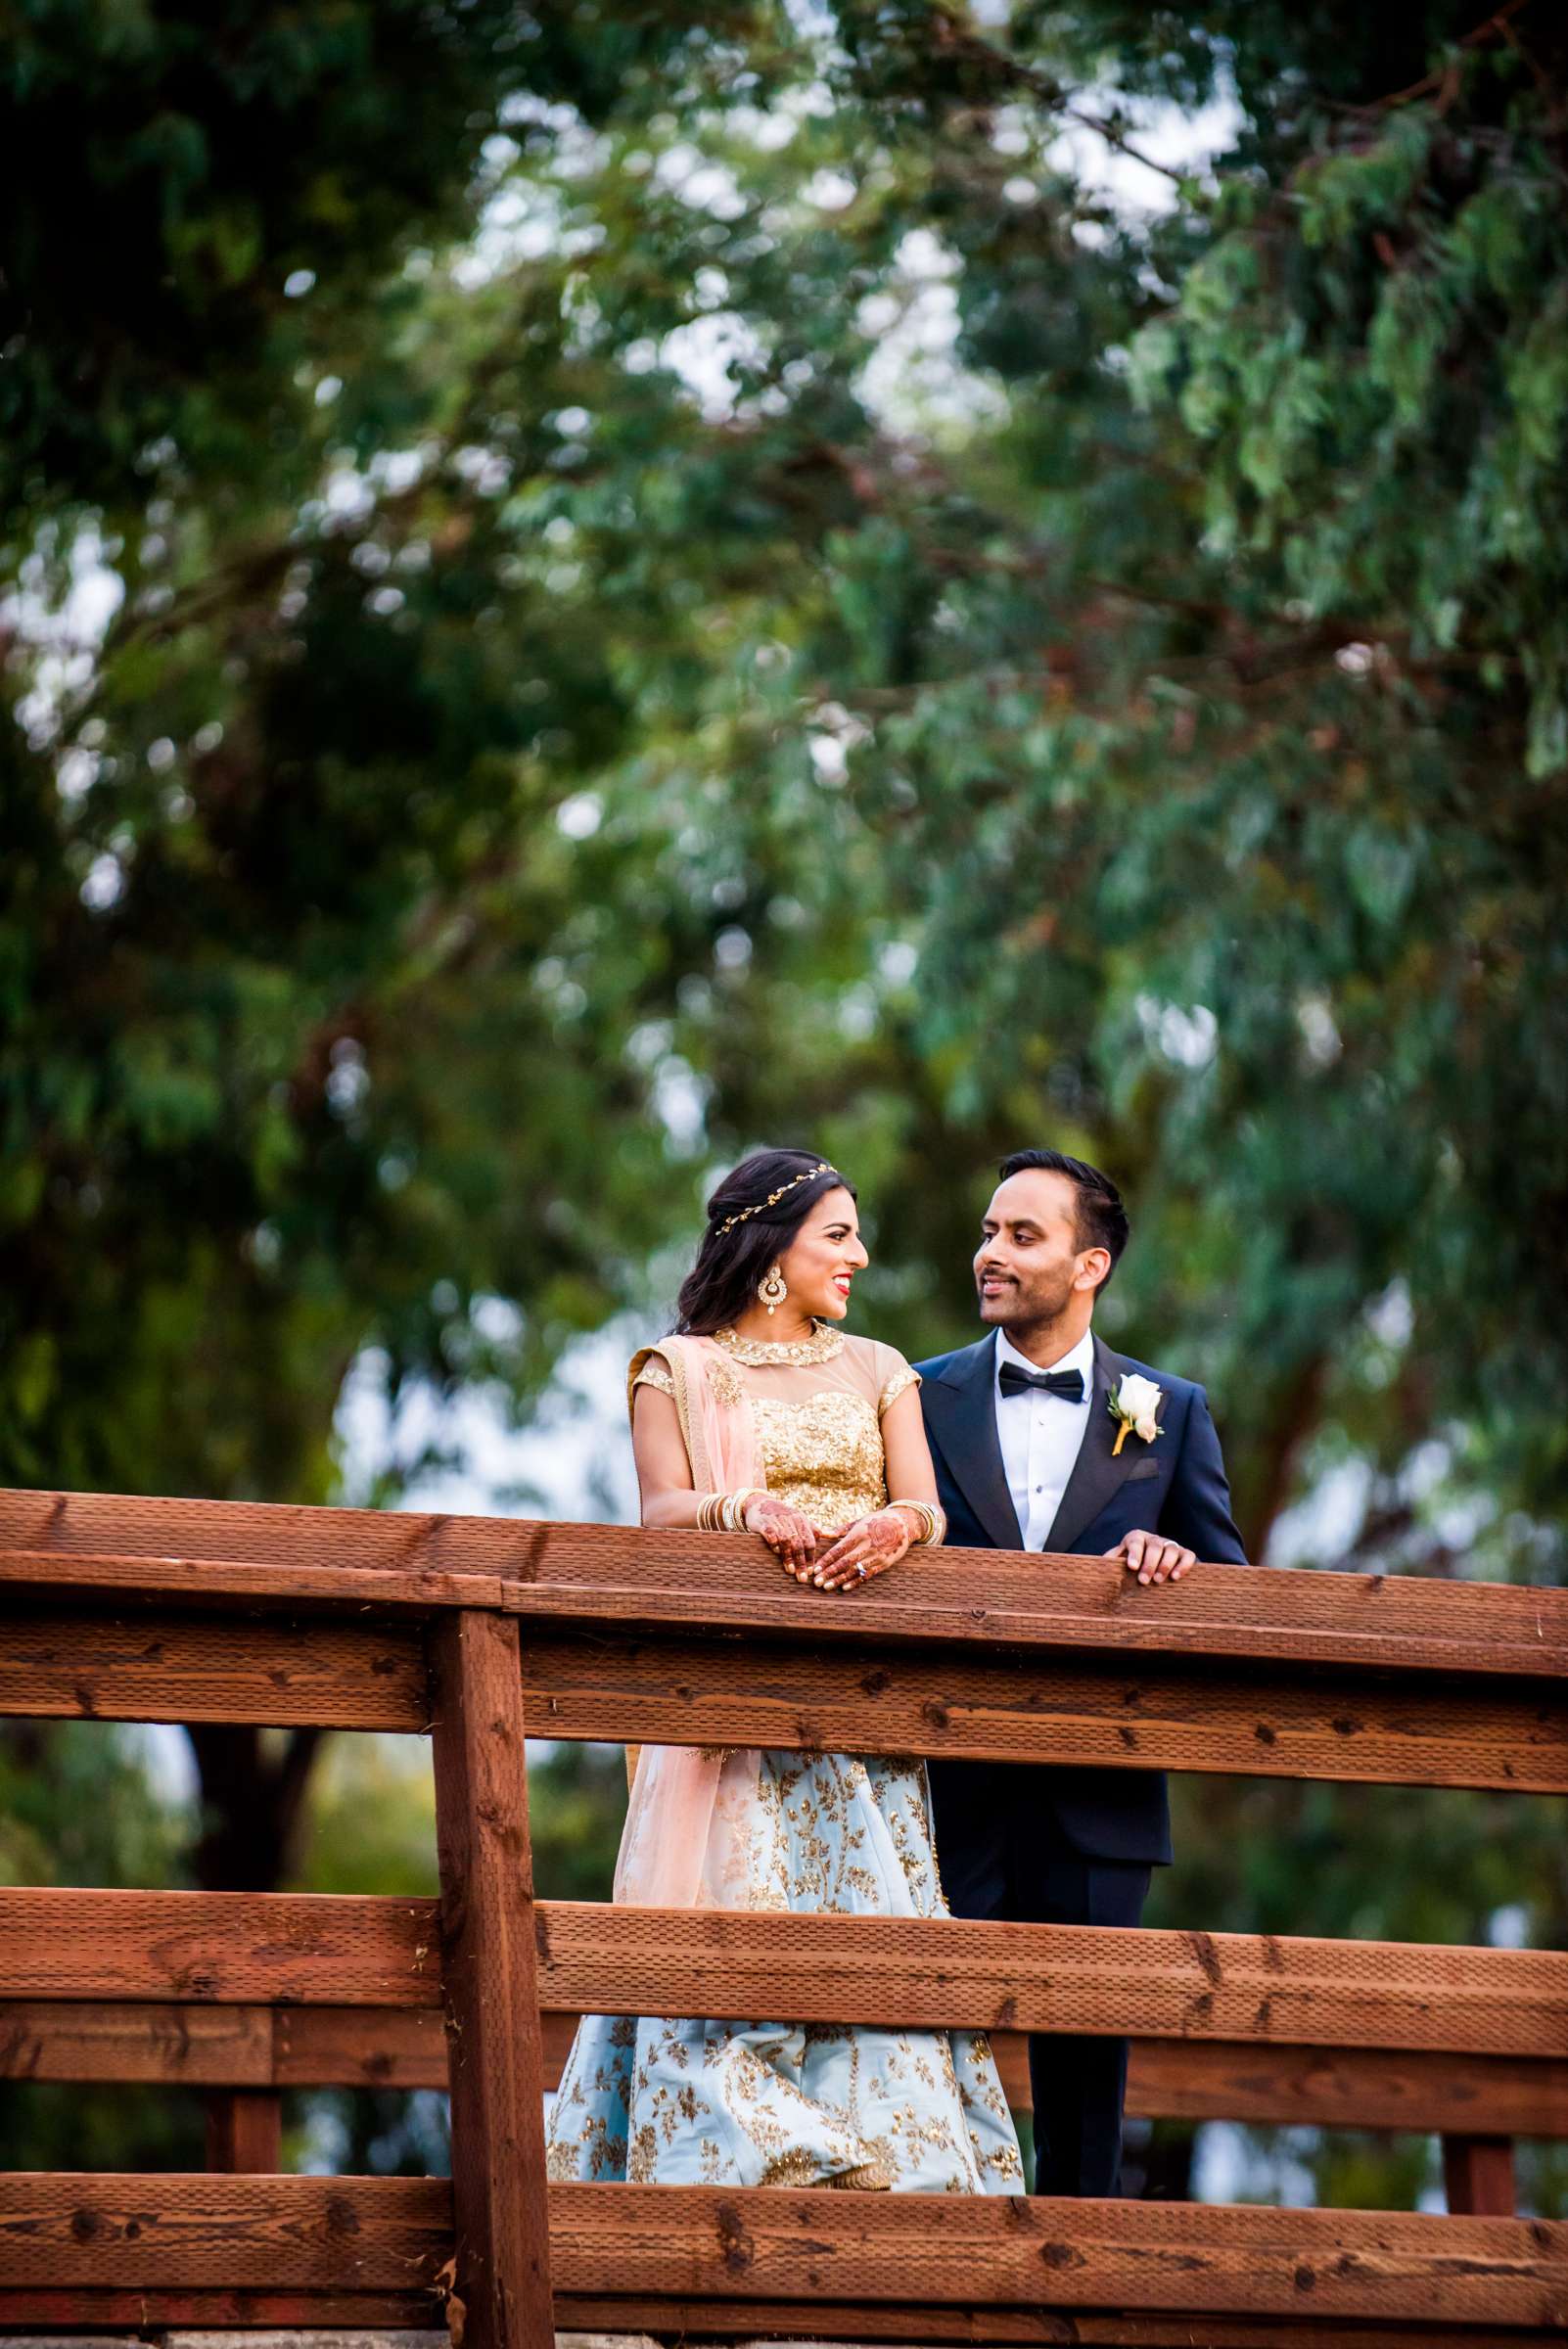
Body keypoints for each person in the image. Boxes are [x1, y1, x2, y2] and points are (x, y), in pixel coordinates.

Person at [544, 1147, 1024, 2194]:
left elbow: (928, 1506)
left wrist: (899, 1526)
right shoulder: (677, 1369)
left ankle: (896, 2174)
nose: (861, 1254)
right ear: (772, 1250)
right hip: (731, 1706)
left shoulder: (880, 1368)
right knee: (734, 1923)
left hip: (863, 1702)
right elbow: (662, 1511)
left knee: (870, 1932)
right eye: (838, 1234)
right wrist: (745, 1509)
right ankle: (740, 2164)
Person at [917, 1149, 1247, 2200]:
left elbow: (1234, 1591)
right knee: (917, 2053)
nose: (991, 1254)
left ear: (1090, 1264)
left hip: (1099, 1796)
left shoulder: (1172, 1409)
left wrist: (1180, 1568)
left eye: (1023, 1236)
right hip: (937, 1787)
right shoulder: (914, 1394)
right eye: (987, 1232)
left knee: (1086, 2091)